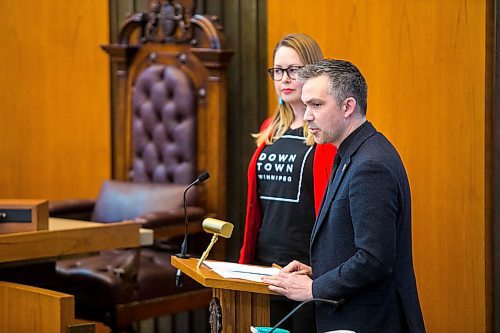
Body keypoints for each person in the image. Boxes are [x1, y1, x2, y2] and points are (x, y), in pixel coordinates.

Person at [262, 59, 426, 333]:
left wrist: (315, 288)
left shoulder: (371, 164)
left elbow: (374, 259)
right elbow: (353, 244)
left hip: (370, 323)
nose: (307, 116)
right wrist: (319, 270)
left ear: (348, 106)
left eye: (316, 105)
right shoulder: (352, 153)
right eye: (306, 105)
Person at [238, 34, 336, 332]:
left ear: (314, 71)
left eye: (294, 70)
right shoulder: (271, 128)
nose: (284, 78)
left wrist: (321, 272)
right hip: (264, 267)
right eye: (278, 71)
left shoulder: (326, 134)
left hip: (306, 271)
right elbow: (258, 205)